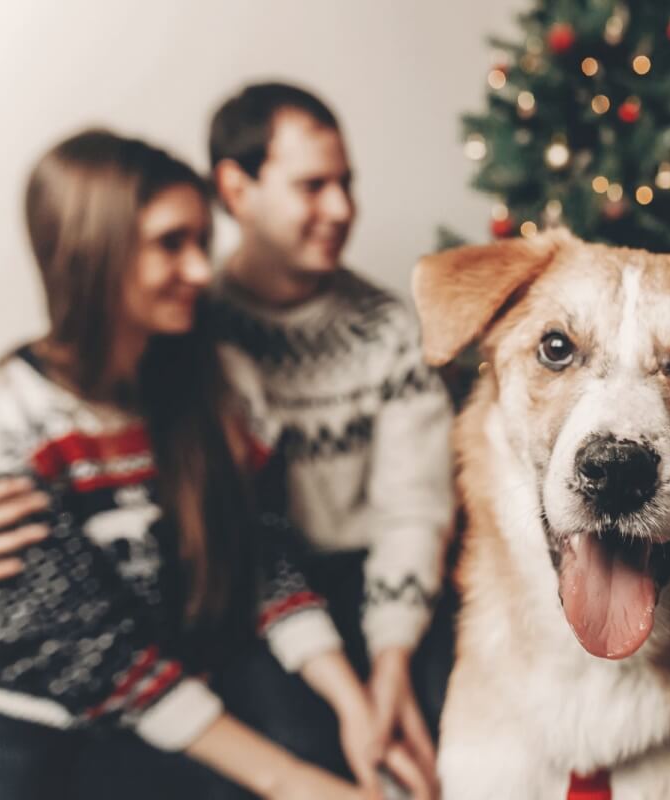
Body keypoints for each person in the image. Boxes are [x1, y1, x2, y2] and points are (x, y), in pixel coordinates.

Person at [0, 129, 413, 800]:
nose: (199, 271)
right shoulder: (7, 423)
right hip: (46, 730)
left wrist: (355, 707)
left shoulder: (218, 384)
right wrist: (295, 784)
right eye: (170, 244)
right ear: (91, 253)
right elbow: (97, 658)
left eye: (201, 242)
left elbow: (265, 561)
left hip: (178, 692)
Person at [204, 82, 454, 792]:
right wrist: (354, 698)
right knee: (302, 745)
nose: (342, 209)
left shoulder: (387, 328)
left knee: (444, 725)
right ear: (237, 189)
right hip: (257, 594)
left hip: (388, 581)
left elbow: (415, 509)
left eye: (347, 183)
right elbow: (248, 543)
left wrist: (391, 666)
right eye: (312, 186)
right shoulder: (195, 333)